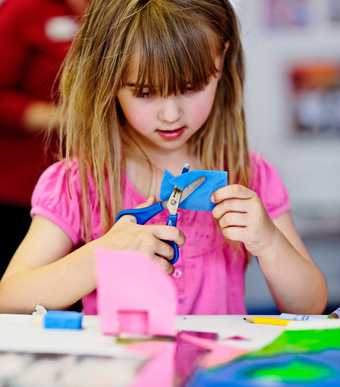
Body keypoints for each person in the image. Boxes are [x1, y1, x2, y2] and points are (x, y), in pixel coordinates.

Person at [0, 0, 327, 315]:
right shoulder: (76, 182)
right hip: (119, 371)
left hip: (214, 370)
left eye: (191, 87)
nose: (171, 115)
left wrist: (269, 242)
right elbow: (8, 298)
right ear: (107, 78)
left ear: (222, 59)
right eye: (144, 92)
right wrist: (101, 255)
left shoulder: (250, 174)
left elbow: (309, 306)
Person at [0, 0, 88, 277]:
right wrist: (62, 118)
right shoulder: (24, 10)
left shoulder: (118, 9)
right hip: (20, 187)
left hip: (90, 186)